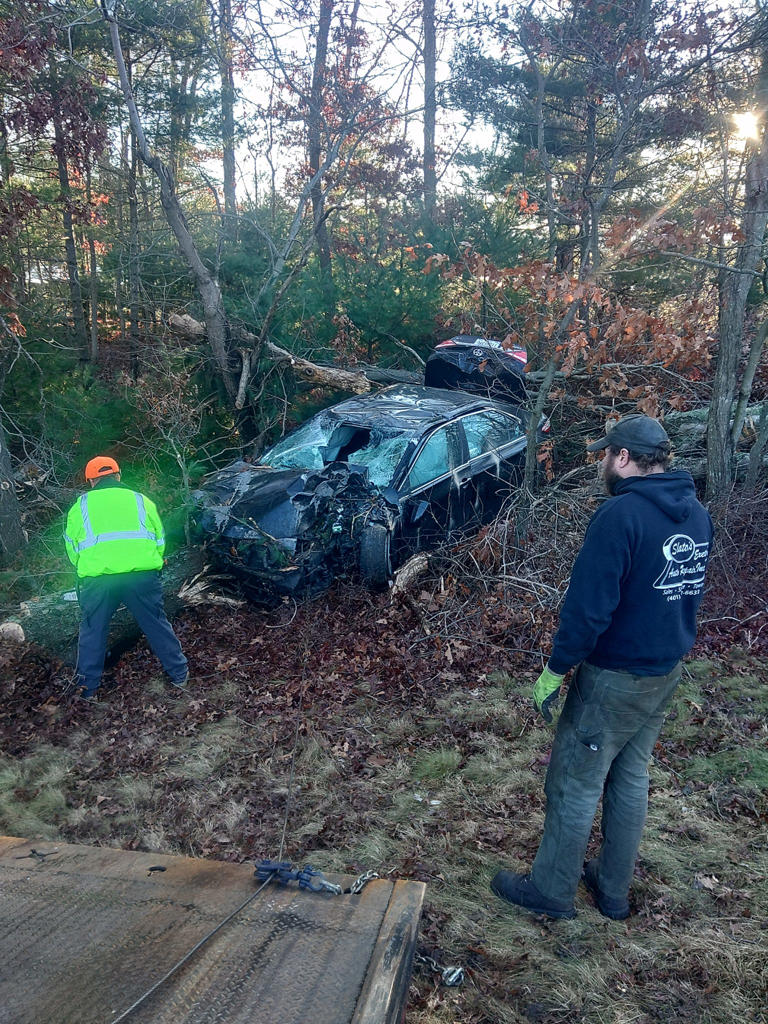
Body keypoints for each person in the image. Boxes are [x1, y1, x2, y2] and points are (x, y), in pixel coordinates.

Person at [491, 414, 713, 920]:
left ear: (625, 458)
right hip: (663, 672)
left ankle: (550, 891)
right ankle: (612, 891)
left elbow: (588, 609)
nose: (602, 466)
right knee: (631, 776)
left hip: (615, 677)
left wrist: (556, 668)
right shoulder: (696, 514)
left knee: (574, 780)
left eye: (606, 456)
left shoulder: (620, 518)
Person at [64, 455, 188, 701]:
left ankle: (87, 690)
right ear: (118, 475)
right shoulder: (141, 500)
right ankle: (180, 674)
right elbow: (159, 539)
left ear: (91, 481)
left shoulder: (80, 506)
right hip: (141, 576)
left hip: (98, 580)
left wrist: (86, 567)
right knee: (156, 623)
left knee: (93, 630)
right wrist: (149, 562)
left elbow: (72, 548)